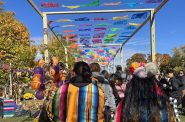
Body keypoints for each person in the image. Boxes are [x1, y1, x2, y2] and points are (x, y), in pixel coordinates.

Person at [39, 61, 104, 122]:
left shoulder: (61, 89)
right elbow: (100, 113)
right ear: (89, 74)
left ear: (74, 73)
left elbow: (52, 112)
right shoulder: (97, 91)